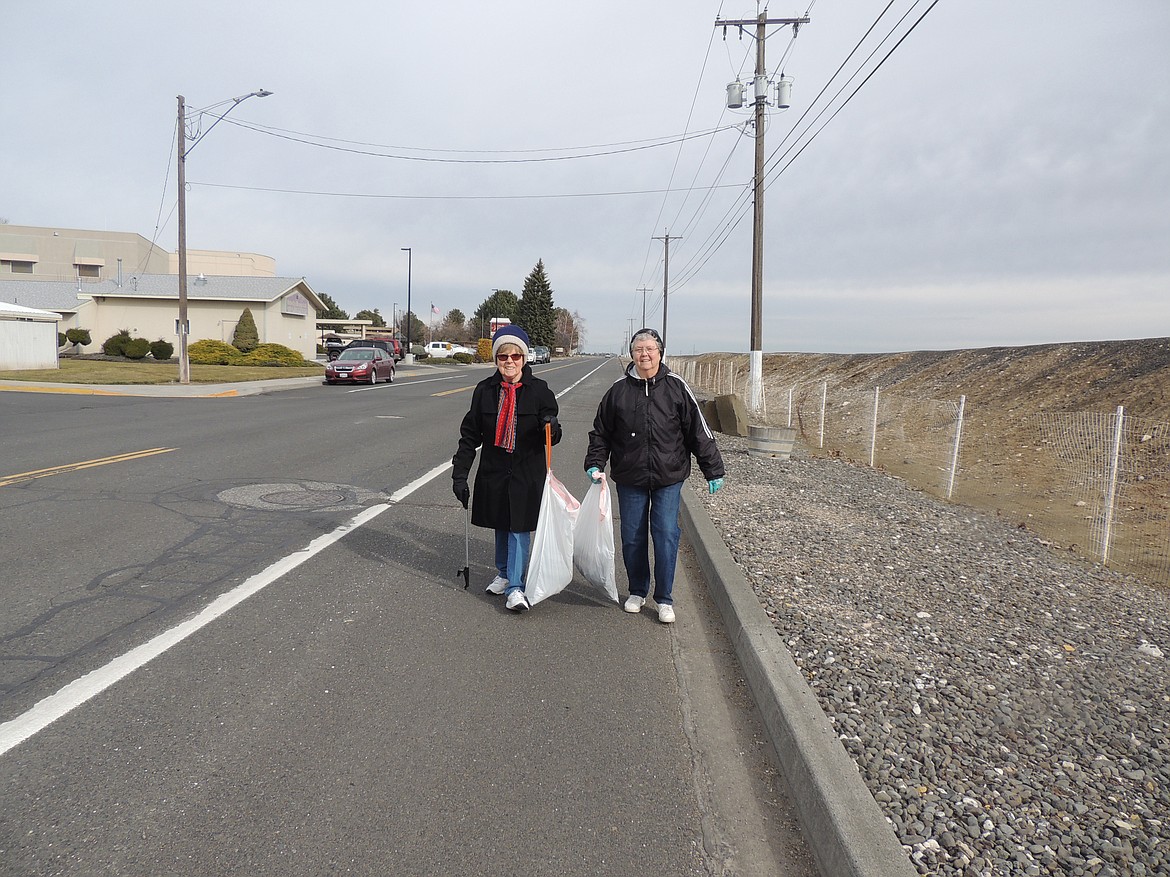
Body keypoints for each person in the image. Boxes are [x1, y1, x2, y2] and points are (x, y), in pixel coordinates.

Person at [584, 328, 724, 623]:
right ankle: (637, 590)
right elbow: (601, 433)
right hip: (630, 475)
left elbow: (698, 430)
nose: (644, 354)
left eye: (650, 348)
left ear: (660, 352)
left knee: (665, 534)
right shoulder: (618, 390)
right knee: (632, 536)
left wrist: (713, 468)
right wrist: (595, 463)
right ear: (632, 354)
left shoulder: (676, 387)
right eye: (638, 349)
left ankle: (664, 598)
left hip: (669, 475)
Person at [452, 325, 561, 613]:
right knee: (502, 522)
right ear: (496, 360)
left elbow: (553, 430)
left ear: (524, 358)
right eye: (503, 357)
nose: (509, 361)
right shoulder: (485, 391)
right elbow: (470, 435)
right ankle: (502, 573)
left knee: (518, 527)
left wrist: (551, 425)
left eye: (515, 355)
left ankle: (516, 586)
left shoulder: (539, 391)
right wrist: (459, 474)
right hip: (495, 468)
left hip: (526, 470)